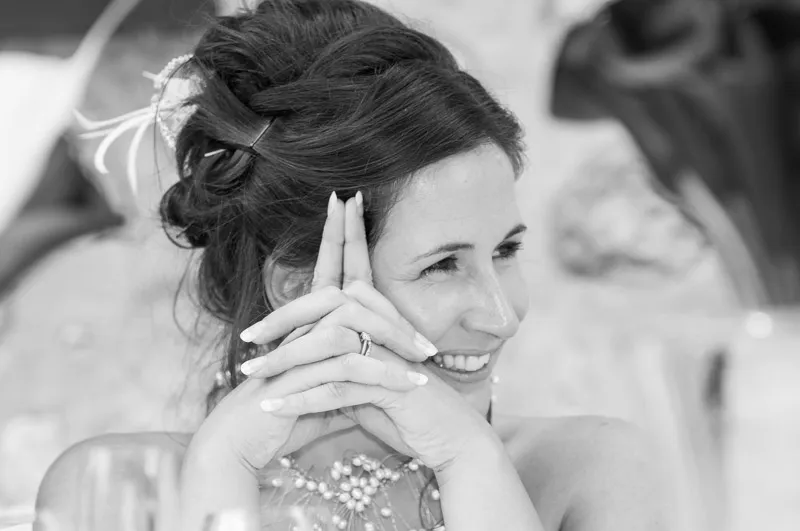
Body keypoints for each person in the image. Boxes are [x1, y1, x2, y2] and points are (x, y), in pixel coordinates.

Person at [36, 1, 669, 530]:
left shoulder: (592, 470)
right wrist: (221, 471)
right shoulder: (116, 492)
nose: (501, 316)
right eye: (443, 265)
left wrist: (471, 462)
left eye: (504, 251)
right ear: (298, 288)